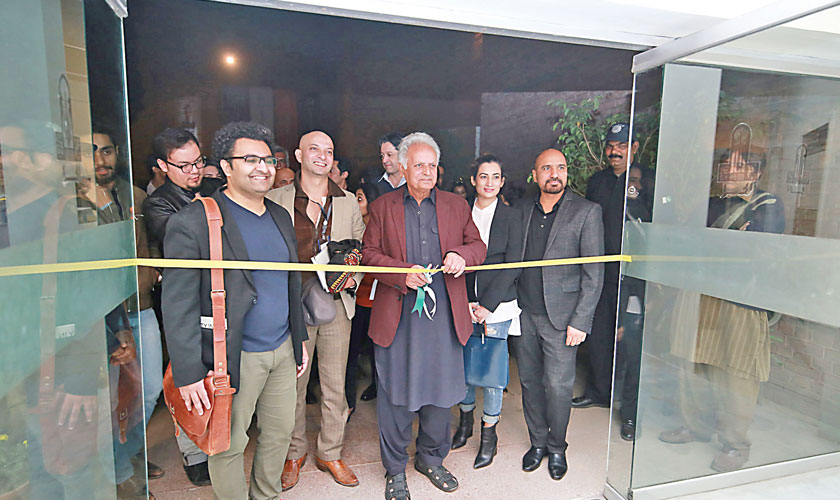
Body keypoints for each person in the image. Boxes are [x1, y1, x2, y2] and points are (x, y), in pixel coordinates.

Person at [162, 121, 309, 500]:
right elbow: (177, 303)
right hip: (230, 356)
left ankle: (266, 494)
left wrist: (299, 339)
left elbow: (290, 284)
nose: (263, 168)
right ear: (226, 167)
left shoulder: (279, 216)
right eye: (250, 159)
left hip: (281, 350)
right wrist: (188, 372)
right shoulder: (194, 221)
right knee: (227, 443)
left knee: (279, 434)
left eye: (268, 160)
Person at [363, 132, 486, 500]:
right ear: (403, 167)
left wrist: (462, 256)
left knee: (441, 393)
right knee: (396, 394)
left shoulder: (455, 205)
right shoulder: (382, 207)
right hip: (398, 317)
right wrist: (401, 273)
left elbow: (478, 246)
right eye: (419, 165)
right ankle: (395, 469)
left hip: (444, 317)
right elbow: (368, 255)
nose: (427, 172)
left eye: (432, 165)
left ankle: (431, 459)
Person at [659, 150, 784, 472]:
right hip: (701, 293)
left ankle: (735, 444)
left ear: (756, 174)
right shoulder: (711, 204)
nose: (729, 170)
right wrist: (727, 241)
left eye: (739, 166)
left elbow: (756, 250)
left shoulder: (768, 206)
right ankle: (695, 426)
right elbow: (688, 241)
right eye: (725, 165)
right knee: (693, 362)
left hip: (740, 301)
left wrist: (719, 246)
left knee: (737, 373)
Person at [268, 130, 365, 491]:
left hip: (336, 303)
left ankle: (330, 451)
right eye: (314, 149)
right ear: (299, 155)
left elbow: (362, 248)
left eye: (329, 151)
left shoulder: (347, 202)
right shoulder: (276, 198)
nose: (322, 156)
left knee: (335, 384)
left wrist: (353, 276)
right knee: (293, 383)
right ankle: (294, 453)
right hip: (292, 305)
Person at [513, 148, 604, 480]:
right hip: (524, 313)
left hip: (563, 319)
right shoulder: (523, 209)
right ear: (535, 175)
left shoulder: (586, 211)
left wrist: (581, 320)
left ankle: (556, 447)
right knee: (529, 382)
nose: (555, 174)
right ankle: (537, 443)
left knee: (559, 386)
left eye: (560, 168)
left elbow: (594, 273)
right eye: (547, 168)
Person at [142, 127, 223, 486]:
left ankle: (218, 439)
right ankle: (193, 453)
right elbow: (190, 239)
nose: (195, 171)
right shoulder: (158, 203)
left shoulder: (213, 188)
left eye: (199, 162)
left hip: (220, 296)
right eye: (184, 165)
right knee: (187, 374)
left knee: (218, 374)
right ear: (163, 165)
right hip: (185, 301)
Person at [450, 154, 523, 469]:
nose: (489, 182)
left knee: (492, 375)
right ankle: (464, 424)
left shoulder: (512, 216)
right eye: (483, 176)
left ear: (502, 181)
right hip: (464, 304)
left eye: (495, 176)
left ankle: (489, 435)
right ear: (473, 180)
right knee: (464, 369)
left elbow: (514, 264)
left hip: (499, 305)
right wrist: (467, 301)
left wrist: (487, 306)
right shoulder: (460, 213)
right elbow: (453, 257)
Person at [574, 122, 641, 410]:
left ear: (634, 147)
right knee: (599, 334)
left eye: (622, 146)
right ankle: (599, 391)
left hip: (633, 275)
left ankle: (629, 405)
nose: (615, 152)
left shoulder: (646, 180)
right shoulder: (598, 181)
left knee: (631, 338)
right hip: (601, 272)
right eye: (611, 146)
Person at [615, 164, 653, 441]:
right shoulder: (615, 212)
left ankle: (630, 415)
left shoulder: (649, 216)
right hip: (618, 294)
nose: (633, 186)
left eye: (637, 181)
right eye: (630, 180)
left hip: (641, 299)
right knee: (621, 357)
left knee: (635, 362)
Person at [345, 182, 378, 417]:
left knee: (377, 352)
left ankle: (377, 387)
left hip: (376, 302)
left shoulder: (378, 230)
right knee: (351, 352)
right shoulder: (350, 228)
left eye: (360, 199)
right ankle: (348, 401)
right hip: (354, 300)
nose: (356, 204)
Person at [371, 132, 405, 200]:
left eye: (389, 155)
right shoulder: (374, 185)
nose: (384, 160)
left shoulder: (414, 183)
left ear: (403, 155)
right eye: (382, 156)